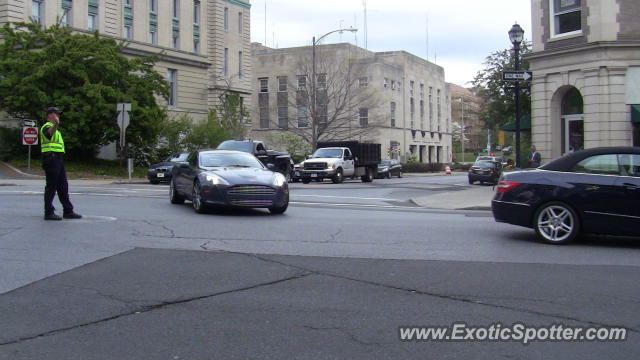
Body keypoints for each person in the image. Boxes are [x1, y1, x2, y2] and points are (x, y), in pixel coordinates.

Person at [41, 107, 82, 220]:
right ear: (50, 115)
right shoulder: (47, 126)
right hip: (51, 158)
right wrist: (56, 124)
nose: (58, 116)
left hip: (58, 159)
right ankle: (48, 212)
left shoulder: (56, 130)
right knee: (51, 186)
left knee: (63, 186)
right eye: (56, 114)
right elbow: (49, 134)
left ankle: (68, 211)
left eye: (58, 114)